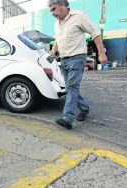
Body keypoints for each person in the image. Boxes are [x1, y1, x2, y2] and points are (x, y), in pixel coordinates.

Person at [48, 0, 107, 129]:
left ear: (63, 5)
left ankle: (67, 118)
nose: (52, 13)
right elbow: (57, 39)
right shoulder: (56, 23)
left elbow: (95, 34)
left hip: (77, 58)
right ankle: (84, 109)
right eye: (50, 10)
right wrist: (53, 50)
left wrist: (101, 54)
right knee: (70, 88)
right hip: (64, 60)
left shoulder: (78, 16)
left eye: (54, 9)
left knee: (72, 88)